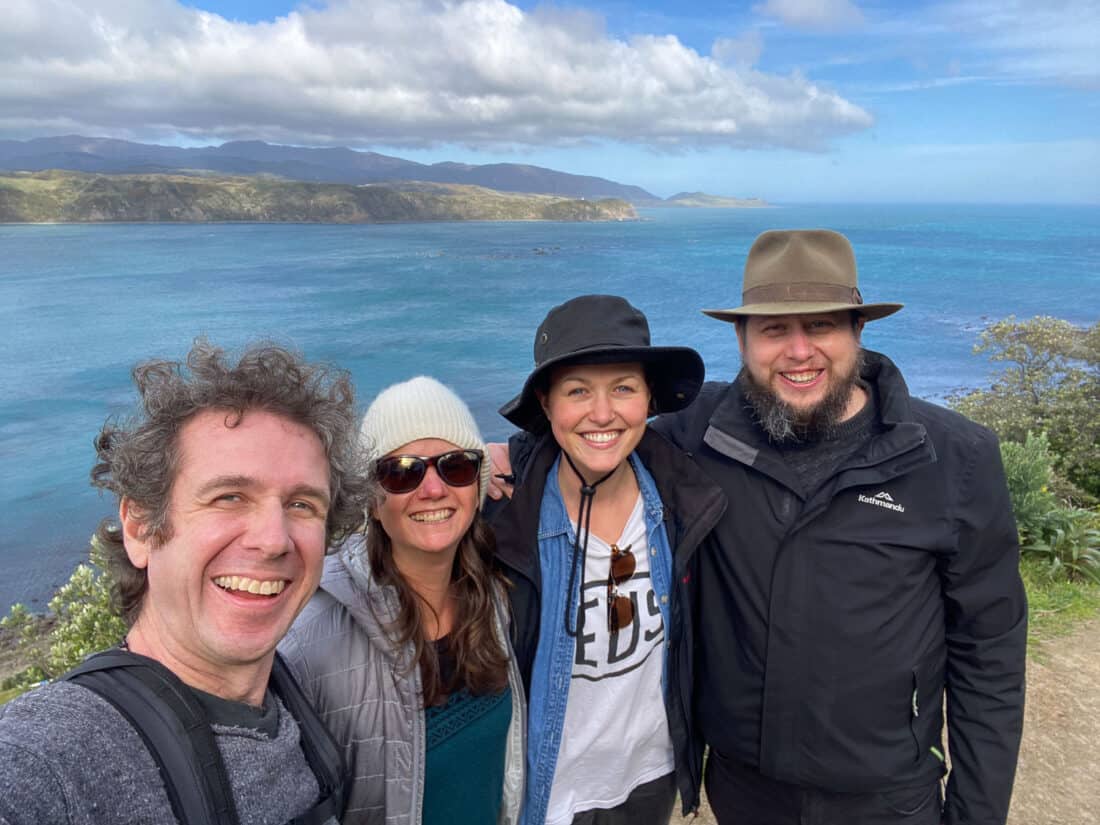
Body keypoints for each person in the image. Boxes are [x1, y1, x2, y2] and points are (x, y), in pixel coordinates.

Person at [651, 229, 1027, 824]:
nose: (799, 352)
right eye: (774, 329)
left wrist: (978, 814)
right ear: (741, 339)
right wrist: (506, 456)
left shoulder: (955, 456)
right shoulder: (698, 434)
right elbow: (597, 426)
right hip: (742, 787)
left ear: (857, 331)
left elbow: (991, 654)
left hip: (888, 796)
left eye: (821, 325)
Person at [0, 340, 374, 825]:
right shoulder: (57, 755)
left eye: (303, 505)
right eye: (229, 497)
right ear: (139, 528)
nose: (273, 540)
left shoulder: (296, 700)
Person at [490, 295, 727, 825]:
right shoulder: (505, 523)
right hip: (550, 790)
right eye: (578, 391)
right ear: (547, 406)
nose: (602, 413)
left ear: (649, 400)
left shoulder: (683, 503)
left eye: (623, 388)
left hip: (650, 774)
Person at [279, 376, 526, 825]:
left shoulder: (493, 595)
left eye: (456, 466)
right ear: (372, 501)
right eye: (402, 472)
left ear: (477, 487)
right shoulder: (309, 637)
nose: (432, 489)